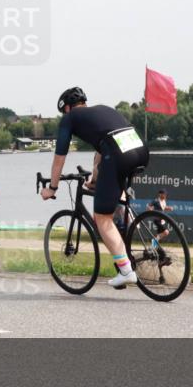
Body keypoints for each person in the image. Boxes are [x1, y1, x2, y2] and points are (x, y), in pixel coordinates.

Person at [40, 87, 149, 289]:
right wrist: (95, 178)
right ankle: (130, 221)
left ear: (67, 108)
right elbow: (102, 151)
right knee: (115, 192)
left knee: (102, 218)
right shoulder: (102, 110)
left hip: (119, 155)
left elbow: (59, 160)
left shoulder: (70, 118)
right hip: (141, 151)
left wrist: (52, 188)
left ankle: (126, 270)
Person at [147, 189, 174, 258]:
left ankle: (152, 248)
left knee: (159, 235)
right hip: (157, 220)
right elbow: (148, 206)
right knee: (166, 232)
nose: (165, 195)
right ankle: (153, 242)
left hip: (161, 220)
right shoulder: (156, 201)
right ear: (160, 194)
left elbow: (163, 208)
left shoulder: (164, 201)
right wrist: (150, 209)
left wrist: (169, 208)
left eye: (165, 194)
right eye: (164, 194)